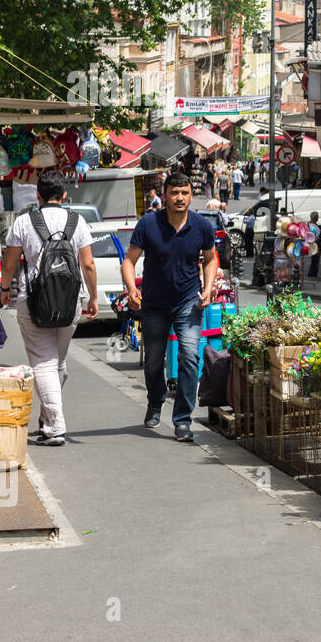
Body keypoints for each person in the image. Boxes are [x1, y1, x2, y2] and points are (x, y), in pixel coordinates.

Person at [0, 171, 98, 446]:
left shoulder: (23, 222)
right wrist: (92, 297)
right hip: (70, 302)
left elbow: (9, 264)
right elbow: (88, 264)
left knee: (43, 362)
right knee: (58, 363)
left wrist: (5, 290)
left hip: (33, 302)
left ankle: (55, 427)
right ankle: (47, 420)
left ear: (37, 195)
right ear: (64, 195)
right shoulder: (78, 221)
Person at [121, 171, 217, 442]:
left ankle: (182, 420)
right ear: (164, 195)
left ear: (191, 195)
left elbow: (210, 259)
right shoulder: (148, 224)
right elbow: (129, 261)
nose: (179, 198)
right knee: (153, 360)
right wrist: (131, 288)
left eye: (184, 192)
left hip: (188, 301)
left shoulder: (201, 226)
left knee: (189, 357)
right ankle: (155, 399)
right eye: (174, 193)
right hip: (153, 303)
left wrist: (207, 288)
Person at [306, 211, 321, 279]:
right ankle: (312, 275)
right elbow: (317, 238)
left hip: (311, 245)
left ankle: (313, 274)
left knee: (314, 260)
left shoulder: (309, 225)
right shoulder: (314, 227)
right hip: (315, 246)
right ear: (316, 218)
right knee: (315, 261)